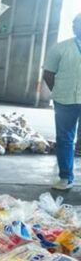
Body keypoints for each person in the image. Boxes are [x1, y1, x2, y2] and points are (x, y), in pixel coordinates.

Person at [43, 13, 81, 190]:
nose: (76, 27)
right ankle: (66, 177)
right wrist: (58, 91)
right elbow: (48, 74)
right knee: (65, 138)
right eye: (75, 24)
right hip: (65, 101)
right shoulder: (60, 48)